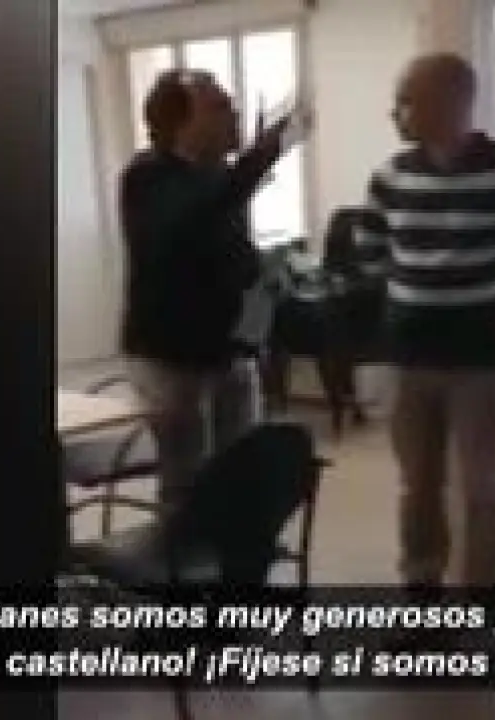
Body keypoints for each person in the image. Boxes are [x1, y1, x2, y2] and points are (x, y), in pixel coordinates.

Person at [355, 53, 495, 592]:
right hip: (408, 354)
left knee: (483, 486)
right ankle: (421, 588)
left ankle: (484, 598)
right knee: (418, 484)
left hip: (482, 357)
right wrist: (417, 290)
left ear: (451, 102)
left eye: (406, 101)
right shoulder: (390, 176)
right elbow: (369, 251)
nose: (395, 113)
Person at [118, 69, 309, 512]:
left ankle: (231, 551)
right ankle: (183, 554)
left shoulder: (217, 176)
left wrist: (262, 275)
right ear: (180, 123)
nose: (235, 114)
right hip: (171, 359)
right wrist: (263, 155)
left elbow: (220, 246)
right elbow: (188, 223)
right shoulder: (148, 177)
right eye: (220, 107)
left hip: (228, 352)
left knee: (239, 475)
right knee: (186, 484)